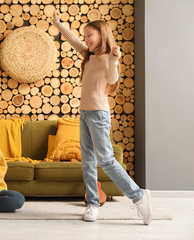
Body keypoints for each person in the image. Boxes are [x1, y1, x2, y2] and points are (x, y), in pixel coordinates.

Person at [53, 10, 153, 225]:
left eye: (90, 35)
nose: (86, 39)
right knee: (87, 162)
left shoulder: (108, 57)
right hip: (85, 114)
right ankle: (93, 203)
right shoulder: (87, 55)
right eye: (85, 35)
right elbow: (73, 39)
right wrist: (58, 24)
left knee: (106, 160)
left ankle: (139, 196)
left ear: (102, 34)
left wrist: (115, 61)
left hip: (99, 114)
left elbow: (111, 78)